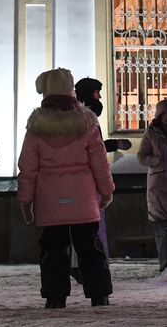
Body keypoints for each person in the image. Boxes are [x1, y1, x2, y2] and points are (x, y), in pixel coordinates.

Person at [18, 69, 115, 309]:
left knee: (53, 249)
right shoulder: (87, 121)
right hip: (83, 198)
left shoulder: (36, 126)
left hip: (50, 200)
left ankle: (55, 296)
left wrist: (26, 200)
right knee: (90, 247)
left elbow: (27, 168)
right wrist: (107, 190)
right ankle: (99, 294)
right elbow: (100, 163)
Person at [70, 78, 129, 277]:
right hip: (87, 180)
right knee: (88, 224)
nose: (100, 96)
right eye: (97, 92)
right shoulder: (85, 117)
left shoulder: (79, 115)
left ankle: (81, 265)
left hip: (81, 180)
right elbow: (92, 149)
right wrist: (113, 145)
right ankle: (87, 266)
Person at [136, 99, 167, 271]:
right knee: (162, 227)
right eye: (163, 114)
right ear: (159, 115)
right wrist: (157, 161)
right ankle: (165, 266)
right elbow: (141, 156)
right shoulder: (151, 132)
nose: (166, 118)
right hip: (159, 186)